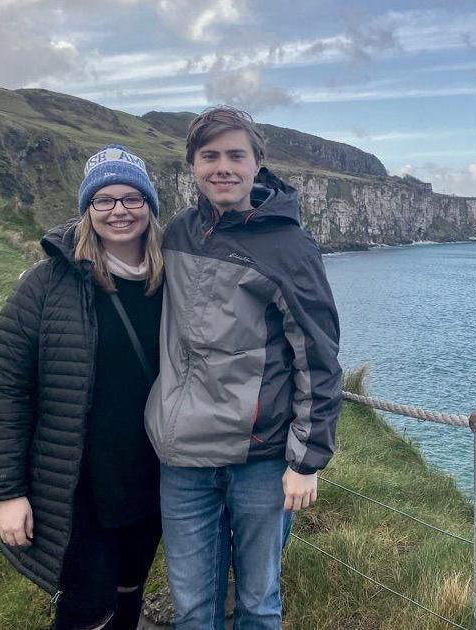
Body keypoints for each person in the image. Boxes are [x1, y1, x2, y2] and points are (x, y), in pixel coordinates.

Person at [144, 107, 342, 629]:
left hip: (259, 457)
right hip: (182, 457)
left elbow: (319, 356)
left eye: (237, 155)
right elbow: (115, 257)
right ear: (192, 165)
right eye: (210, 156)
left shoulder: (290, 245)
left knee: (258, 604)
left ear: (258, 164)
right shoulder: (178, 234)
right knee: (192, 608)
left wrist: (306, 460)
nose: (223, 167)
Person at [0, 144, 164, 630]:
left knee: (129, 592)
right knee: (87, 608)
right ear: (87, 210)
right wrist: (7, 491)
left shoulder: (175, 282)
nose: (119, 211)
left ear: (150, 206)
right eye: (104, 200)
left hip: (152, 476)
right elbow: (6, 388)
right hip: (74, 483)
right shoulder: (45, 284)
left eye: (132, 198)